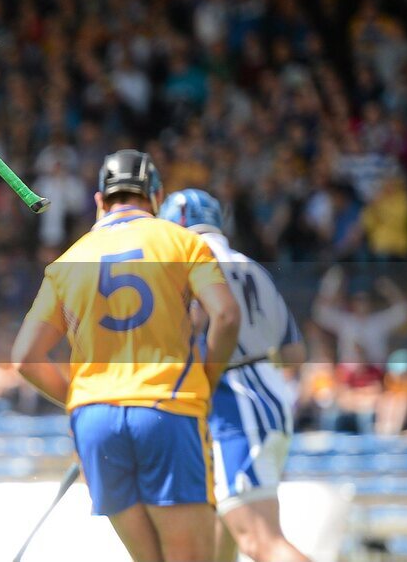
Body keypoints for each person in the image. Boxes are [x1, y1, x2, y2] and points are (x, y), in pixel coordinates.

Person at [12, 150, 240, 561]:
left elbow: (25, 358)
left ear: (100, 201)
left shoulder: (66, 262)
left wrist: (82, 403)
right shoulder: (182, 240)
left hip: (96, 422)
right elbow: (225, 315)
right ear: (156, 196)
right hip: (167, 409)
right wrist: (206, 379)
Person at [159, 189, 310, 562]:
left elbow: (189, 329)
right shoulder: (254, 267)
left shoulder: (187, 264)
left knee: (260, 541)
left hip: (233, 404)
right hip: (267, 397)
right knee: (216, 546)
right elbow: (294, 355)